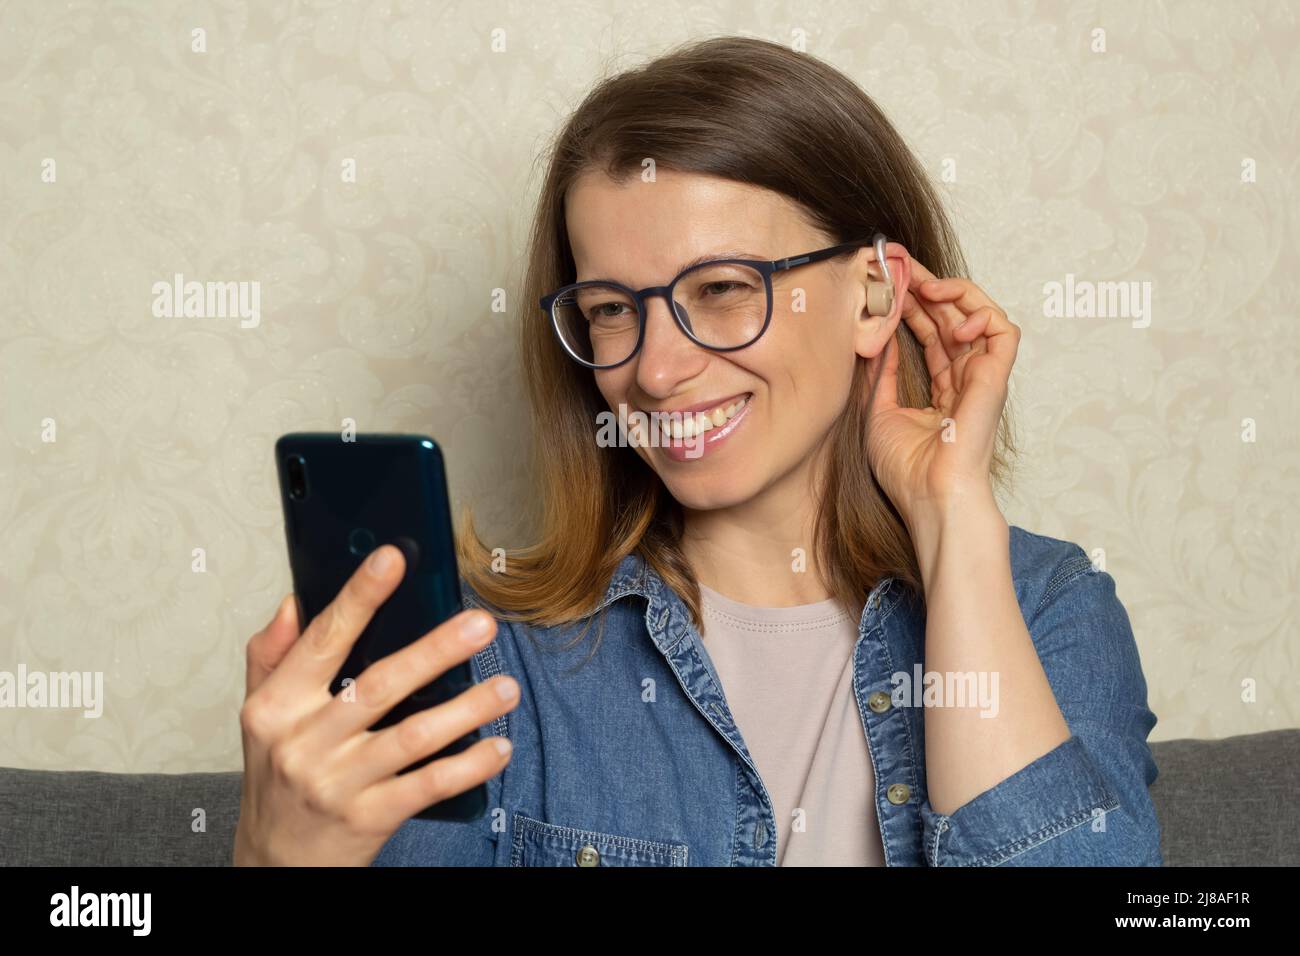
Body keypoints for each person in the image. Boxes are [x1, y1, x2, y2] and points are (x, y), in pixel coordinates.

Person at [234, 35, 1162, 867]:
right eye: (610, 310)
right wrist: (280, 861)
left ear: (875, 296)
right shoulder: (487, 662)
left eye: (721, 288)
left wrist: (952, 514)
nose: (658, 369)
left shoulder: (1048, 613)